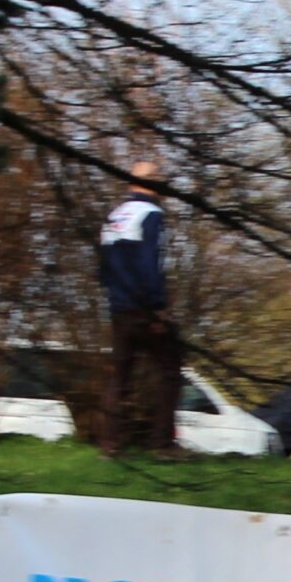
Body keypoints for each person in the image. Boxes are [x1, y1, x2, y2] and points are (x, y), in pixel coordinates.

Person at [98, 160, 182, 455]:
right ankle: (162, 444)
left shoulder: (114, 216)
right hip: (144, 308)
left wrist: (115, 297)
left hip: (118, 308)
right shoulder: (151, 214)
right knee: (170, 370)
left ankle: (110, 445)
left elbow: (103, 268)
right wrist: (157, 307)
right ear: (152, 183)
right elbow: (150, 263)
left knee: (120, 375)